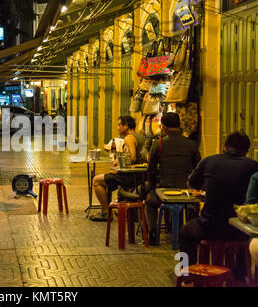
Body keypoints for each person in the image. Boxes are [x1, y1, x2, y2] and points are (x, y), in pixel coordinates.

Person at [179, 132, 258, 272]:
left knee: (185, 232)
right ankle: (240, 274)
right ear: (246, 151)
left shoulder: (209, 161)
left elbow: (192, 183)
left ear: (224, 147)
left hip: (210, 227)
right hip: (239, 230)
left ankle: (187, 273)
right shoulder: (254, 166)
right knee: (245, 239)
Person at [144, 112, 201, 244]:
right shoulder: (191, 144)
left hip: (165, 188)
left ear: (163, 126)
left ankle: (152, 233)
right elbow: (198, 168)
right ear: (179, 125)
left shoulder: (158, 144)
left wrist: (153, 186)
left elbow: (151, 170)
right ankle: (192, 232)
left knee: (150, 202)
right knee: (194, 205)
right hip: (185, 191)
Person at [90, 115, 146, 221]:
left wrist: (119, 166)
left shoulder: (129, 138)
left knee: (97, 181)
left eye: (120, 125)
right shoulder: (139, 137)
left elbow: (132, 157)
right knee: (107, 177)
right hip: (139, 176)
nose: (117, 127)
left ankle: (107, 212)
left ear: (126, 126)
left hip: (130, 177)